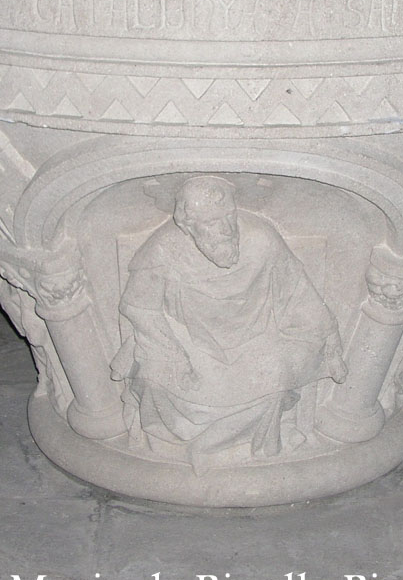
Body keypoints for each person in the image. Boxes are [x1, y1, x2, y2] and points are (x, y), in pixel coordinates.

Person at [113, 176, 344, 460]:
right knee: (155, 380)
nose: (226, 229)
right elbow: (141, 308)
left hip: (255, 342)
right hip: (186, 344)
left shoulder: (261, 239)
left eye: (229, 216)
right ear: (187, 226)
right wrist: (175, 356)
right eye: (212, 222)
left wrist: (330, 339)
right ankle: (174, 447)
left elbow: (297, 293)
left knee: (275, 375)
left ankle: (262, 443)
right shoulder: (162, 249)